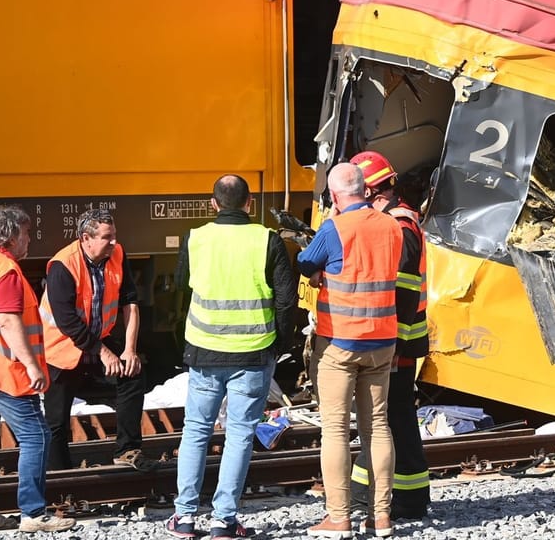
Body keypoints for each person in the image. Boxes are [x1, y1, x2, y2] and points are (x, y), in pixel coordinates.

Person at [165, 175, 297, 540]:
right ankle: (224, 521)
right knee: (239, 434)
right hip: (254, 353)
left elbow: (179, 285)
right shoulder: (267, 240)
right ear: (249, 203)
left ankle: (185, 518)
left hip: (205, 350)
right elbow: (286, 301)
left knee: (195, 431)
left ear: (213, 204)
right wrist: (280, 345)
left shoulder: (197, 238)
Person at [0, 205, 77, 533]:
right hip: (1, 370)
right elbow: (6, 321)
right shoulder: (5, 271)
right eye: (26, 233)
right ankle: (33, 513)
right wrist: (32, 365)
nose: (29, 240)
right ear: (10, 236)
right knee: (36, 436)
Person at [300, 162, 403, 539]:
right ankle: (381, 518)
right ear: (366, 189)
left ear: (333, 196)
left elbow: (306, 262)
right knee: (377, 426)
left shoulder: (334, 228)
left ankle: (339, 518)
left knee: (336, 432)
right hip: (382, 341)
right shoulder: (392, 225)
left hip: (340, 343)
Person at [347, 151, 431, 522]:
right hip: (397, 341)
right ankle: (410, 500)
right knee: (394, 419)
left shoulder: (399, 227)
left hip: (398, 343)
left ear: (370, 191)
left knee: (381, 419)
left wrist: (390, 345)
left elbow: (404, 292)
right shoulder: (395, 222)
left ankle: (366, 501)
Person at [40, 208, 154, 472]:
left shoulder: (117, 254)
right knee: (56, 420)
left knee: (133, 376)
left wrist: (129, 350)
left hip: (98, 338)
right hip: (62, 347)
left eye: (114, 236)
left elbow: (131, 303)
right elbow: (67, 321)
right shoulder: (63, 265)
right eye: (106, 237)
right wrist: (104, 353)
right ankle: (58, 475)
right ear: (85, 238)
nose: (113, 242)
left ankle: (127, 451)